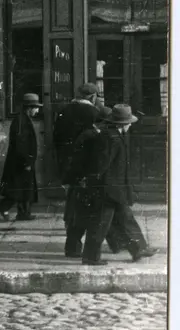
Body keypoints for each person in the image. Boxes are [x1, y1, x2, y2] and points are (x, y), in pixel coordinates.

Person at [82, 104, 158, 266]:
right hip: (108, 189)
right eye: (129, 122)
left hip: (114, 188)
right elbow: (101, 165)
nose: (130, 125)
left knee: (126, 218)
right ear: (122, 124)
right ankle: (90, 257)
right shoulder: (112, 139)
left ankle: (139, 248)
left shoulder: (113, 135)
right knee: (100, 223)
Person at [62, 106, 127, 257]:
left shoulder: (95, 134)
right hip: (82, 181)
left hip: (85, 181)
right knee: (79, 218)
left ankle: (75, 249)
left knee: (88, 216)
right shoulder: (91, 135)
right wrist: (79, 179)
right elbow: (80, 160)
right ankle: (73, 249)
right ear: (102, 122)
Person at [0, 93, 41, 221]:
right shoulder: (21, 122)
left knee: (25, 188)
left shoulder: (24, 120)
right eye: (36, 108)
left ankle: (24, 213)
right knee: (17, 188)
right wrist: (26, 162)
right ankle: (4, 207)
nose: (37, 110)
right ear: (29, 108)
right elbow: (20, 144)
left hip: (24, 161)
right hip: (21, 162)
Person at [54, 83, 100, 180]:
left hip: (64, 153)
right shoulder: (93, 112)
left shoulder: (64, 109)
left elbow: (57, 133)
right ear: (93, 97)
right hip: (84, 156)